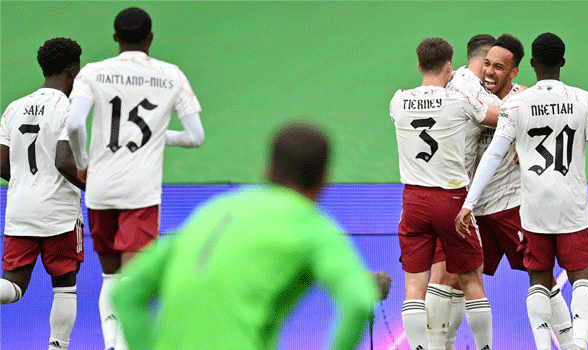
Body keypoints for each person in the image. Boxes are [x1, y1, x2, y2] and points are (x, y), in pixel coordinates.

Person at [111, 123, 391, 350]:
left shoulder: (214, 211)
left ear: (267, 169)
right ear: (324, 179)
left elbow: (127, 293)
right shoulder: (313, 228)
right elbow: (358, 302)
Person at [456, 32, 588, 350]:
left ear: (532, 64)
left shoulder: (517, 104)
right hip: (573, 206)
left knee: (538, 280)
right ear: (562, 62)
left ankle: (542, 345)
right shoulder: (584, 99)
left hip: (532, 207)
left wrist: (469, 201)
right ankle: (577, 343)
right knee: (582, 277)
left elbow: (493, 155)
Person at [66, 7, 205, 350]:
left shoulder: (93, 72)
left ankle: (111, 343)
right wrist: (159, 135)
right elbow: (195, 136)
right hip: (141, 193)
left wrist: (83, 161)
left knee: (110, 277)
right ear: (151, 37)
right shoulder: (172, 75)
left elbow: (72, 124)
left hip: (99, 189)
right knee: (134, 280)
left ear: (115, 38)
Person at [390, 37, 497, 350]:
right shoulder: (459, 100)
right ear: (450, 66)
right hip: (450, 200)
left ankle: (420, 348)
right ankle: (485, 348)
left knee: (414, 287)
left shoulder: (398, 101)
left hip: (412, 200)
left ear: (419, 66)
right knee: (472, 280)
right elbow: (495, 117)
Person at [0, 37, 84, 350]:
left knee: (13, 286)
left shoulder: (14, 108)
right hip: (59, 215)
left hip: (19, 209)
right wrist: (96, 187)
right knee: (65, 288)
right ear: (73, 69)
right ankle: (57, 347)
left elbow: (1, 164)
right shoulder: (70, 108)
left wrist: (25, 180)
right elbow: (65, 161)